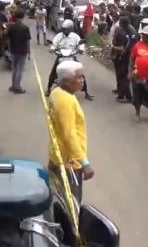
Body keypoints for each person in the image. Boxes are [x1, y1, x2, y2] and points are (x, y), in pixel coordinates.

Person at [48, 60, 94, 202]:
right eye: (79, 77)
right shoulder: (66, 101)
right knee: (72, 202)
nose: (82, 81)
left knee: (58, 195)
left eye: (82, 77)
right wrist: (85, 163)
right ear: (67, 82)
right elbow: (69, 135)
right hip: (69, 161)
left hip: (57, 155)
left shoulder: (56, 92)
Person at [46, 19, 93, 100]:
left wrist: (81, 49)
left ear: (70, 29)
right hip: (61, 56)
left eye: (66, 29)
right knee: (53, 73)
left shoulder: (75, 36)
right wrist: (52, 48)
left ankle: (86, 92)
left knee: (80, 74)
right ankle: (48, 88)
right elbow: (54, 44)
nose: (64, 31)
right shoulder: (59, 36)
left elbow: (80, 44)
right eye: (63, 29)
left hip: (71, 57)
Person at [111, 15, 136, 103]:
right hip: (129, 56)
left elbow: (121, 48)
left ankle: (127, 96)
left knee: (122, 77)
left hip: (122, 57)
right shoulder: (132, 30)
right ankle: (121, 93)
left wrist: (112, 47)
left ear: (121, 23)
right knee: (123, 76)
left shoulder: (121, 33)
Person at [6, 8, 31, 94]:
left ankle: (13, 85)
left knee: (14, 69)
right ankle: (17, 87)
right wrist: (29, 51)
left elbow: (8, 40)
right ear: (23, 17)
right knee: (20, 69)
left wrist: (9, 50)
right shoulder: (25, 28)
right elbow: (27, 41)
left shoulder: (11, 27)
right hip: (22, 51)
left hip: (13, 50)